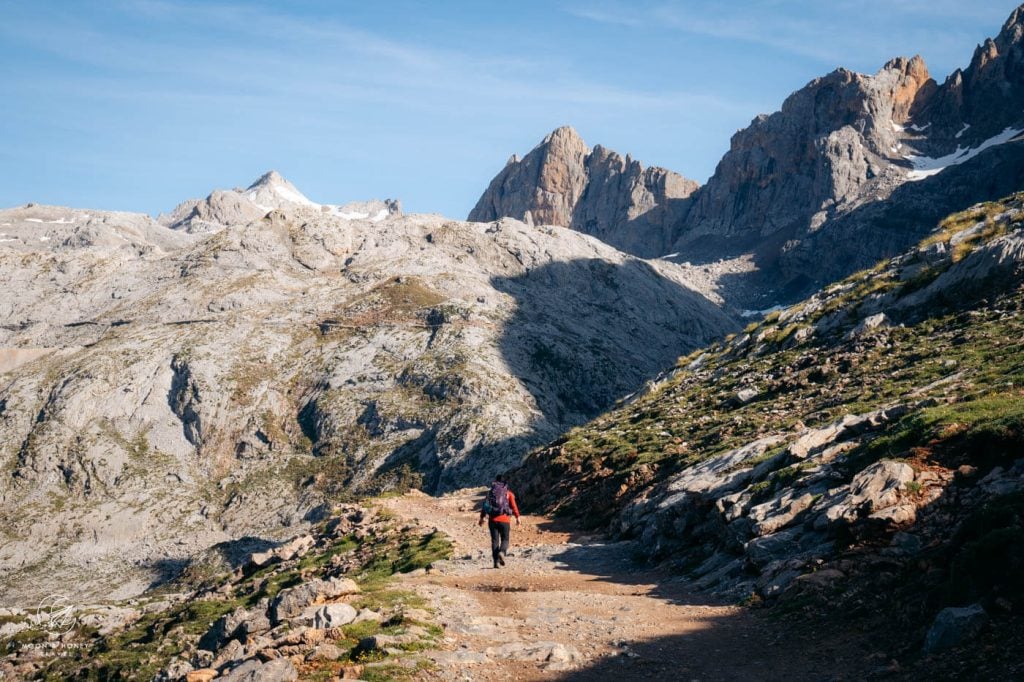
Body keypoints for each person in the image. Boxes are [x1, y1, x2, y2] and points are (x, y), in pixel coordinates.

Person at [478, 474, 520, 568]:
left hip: (492, 520)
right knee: (505, 539)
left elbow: (485, 506)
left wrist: (482, 518)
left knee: (494, 541)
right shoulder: (508, 493)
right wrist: (517, 517)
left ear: (495, 482)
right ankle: (502, 552)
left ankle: (496, 562)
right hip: (505, 520)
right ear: (505, 483)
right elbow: (514, 506)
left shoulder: (490, 493)